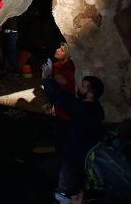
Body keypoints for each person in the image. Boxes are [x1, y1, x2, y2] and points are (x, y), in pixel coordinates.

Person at [41, 60, 105, 203]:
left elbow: (62, 99)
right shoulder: (95, 108)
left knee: (64, 186)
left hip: (74, 156)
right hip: (83, 154)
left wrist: (47, 79)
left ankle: (63, 196)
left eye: (83, 86)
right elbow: (68, 101)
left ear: (90, 94)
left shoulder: (83, 109)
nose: (79, 87)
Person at [52, 42, 76, 119]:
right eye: (59, 48)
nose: (57, 49)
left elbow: (73, 92)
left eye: (62, 50)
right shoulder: (57, 66)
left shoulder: (70, 70)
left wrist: (65, 83)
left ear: (67, 55)